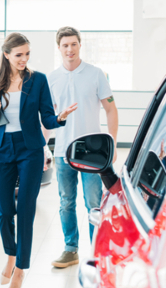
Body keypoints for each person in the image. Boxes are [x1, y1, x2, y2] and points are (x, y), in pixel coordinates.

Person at [0, 32, 77, 288]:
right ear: (6, 55)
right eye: (18, 55)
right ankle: (11, 255)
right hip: (4, 149)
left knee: (25, 210)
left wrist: (60, 118)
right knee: (4, 211)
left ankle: (21, 269)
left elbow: (47, 119)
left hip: (31, 150)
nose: (24, 59)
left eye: (27, 54)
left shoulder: (38, 80)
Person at [48, 26, 119, 268]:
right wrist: (42, 146)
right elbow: (48, 118)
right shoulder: (51, 79)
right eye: (65, 45)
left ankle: (97, 251)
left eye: (73, 44)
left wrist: (113, 143)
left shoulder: (96, 74)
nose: (70, 49)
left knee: (94, 203)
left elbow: (111, 109)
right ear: (59, 48)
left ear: (80, 45)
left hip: (92, 152)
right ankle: (71, 249)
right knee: (66, 201)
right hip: (62, 152)